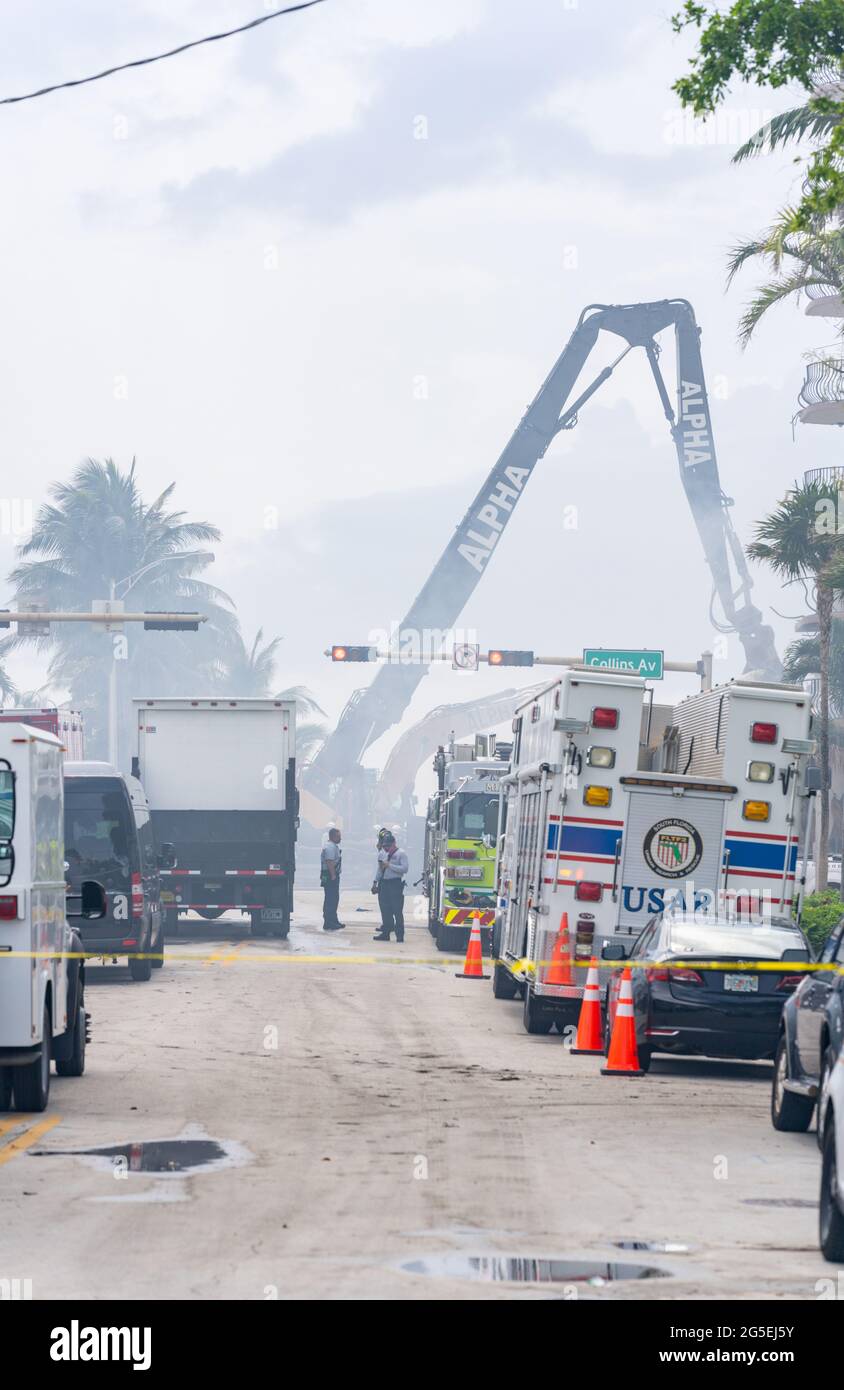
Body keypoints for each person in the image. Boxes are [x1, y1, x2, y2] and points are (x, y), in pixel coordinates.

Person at [372, 830, 408, 942]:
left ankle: (400, 935)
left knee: (397, 910)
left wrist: (390, 865)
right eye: (384, 846)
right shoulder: (382, 853)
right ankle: (386, 933)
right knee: (385, 910)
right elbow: (379, 869)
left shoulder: (401, 854)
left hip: (395, 884)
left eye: (388, 846)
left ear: (394, 843)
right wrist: (375, 882)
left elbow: (404, 869)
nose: (386, 848)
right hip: (384, 883)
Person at [320, 827, 344, 931]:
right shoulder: (330, 847)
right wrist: (333, 875)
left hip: (330, 875)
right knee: (331, 899)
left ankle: (333, 920)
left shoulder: (332, 846)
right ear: (333, 836)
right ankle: (329, 922)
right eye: (339, 836)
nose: (340, 838)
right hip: (330, 875)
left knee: (333, 898)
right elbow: (329, 862)